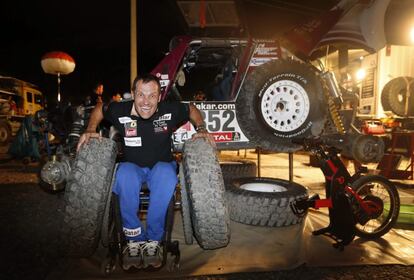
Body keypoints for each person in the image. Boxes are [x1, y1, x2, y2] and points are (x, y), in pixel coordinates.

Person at [77, 74, 214, 270]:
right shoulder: (121, 109)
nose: (146, 102)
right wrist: (91, 128)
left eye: (152, 96)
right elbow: (100, 108)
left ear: (159, 97)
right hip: (133, 166)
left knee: (166, 174)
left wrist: (201, 128)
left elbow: (191, 108)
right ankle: (134, 241)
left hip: (161, 166)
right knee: (124, 174)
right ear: (133, 94)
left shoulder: (170, 110)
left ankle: (153, 241)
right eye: (141, 95)